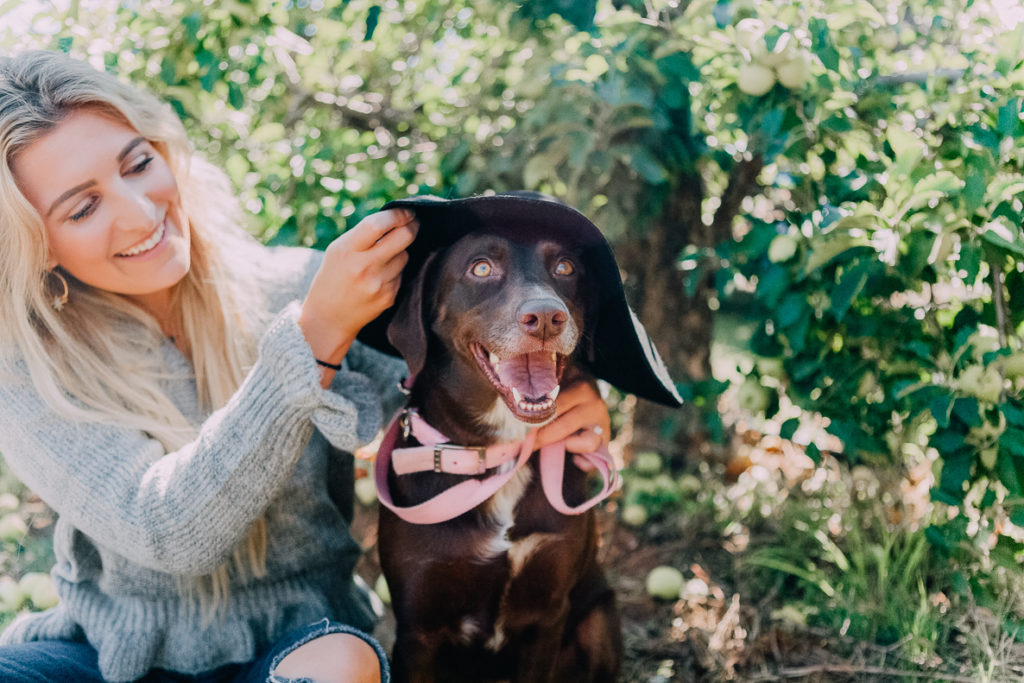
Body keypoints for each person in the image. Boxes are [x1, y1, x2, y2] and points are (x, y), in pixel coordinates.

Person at [0, 50, 612, 682]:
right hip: (109, 658)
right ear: (34, 245)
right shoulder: (28, 370)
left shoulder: (300, 284)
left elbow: (447, 374)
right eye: (82, 207)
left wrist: (568, 394)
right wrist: (311, 342)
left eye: (138, 163)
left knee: (340, 666)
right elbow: (167, 532)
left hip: (301, 645)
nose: (137, 211)